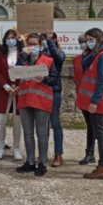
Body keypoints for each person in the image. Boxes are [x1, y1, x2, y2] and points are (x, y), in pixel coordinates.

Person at [77, 28, 103, 180]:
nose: (88, 42)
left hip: (98, 102)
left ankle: (102, 167)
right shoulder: (97, 56)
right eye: (87, 40)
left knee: (101, 134)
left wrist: (94, 102)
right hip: (98, 101)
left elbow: (102, 82)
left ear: (99, 39)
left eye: (91, 39)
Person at [15, 33, 57, 177]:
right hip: (25, 100)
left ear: (40, 45)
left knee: (41, 134)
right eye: (29, 44)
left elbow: (54, 80)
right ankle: (30, 162)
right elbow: (15, 73)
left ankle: (42, 163)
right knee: (27, 133)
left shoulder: (48, 60)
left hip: (41, 101)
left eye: (35, 44)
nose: (32, 47)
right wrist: (23, 56)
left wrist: (44, 79)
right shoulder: (23, 60)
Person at [0, 30, 24, 160]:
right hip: (4, 89)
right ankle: (1, 147)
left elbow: (26, 70)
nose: (11, 40)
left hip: (18, 89)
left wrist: (19, 86)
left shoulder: (22, 53)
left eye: (13, 38)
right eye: (8, 38)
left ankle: (16, 148)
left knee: (17, 120)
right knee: (1, 120)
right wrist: (5, 85)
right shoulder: (1, 53)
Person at [41, 31, 66, 167]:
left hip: (54, 91)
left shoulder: (60, 53)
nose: (45, 41)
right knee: (42, 125)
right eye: (43, 39)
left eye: (49, 39)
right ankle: (43, 154)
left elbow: (57, 59)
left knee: (55, 123)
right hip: (41, 91)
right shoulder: (40, 54)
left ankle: (58, 154)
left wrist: (50, 42)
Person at [73, 36, 96, 165]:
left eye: (85, 42)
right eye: (81, 42)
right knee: (90, 125)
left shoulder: (96, 58)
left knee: (96, 126)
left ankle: (91, 153)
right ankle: (90, 153)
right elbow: (76, 78)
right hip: (82, 96)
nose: (83, 44)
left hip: (93, 97)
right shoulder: (76, 59)